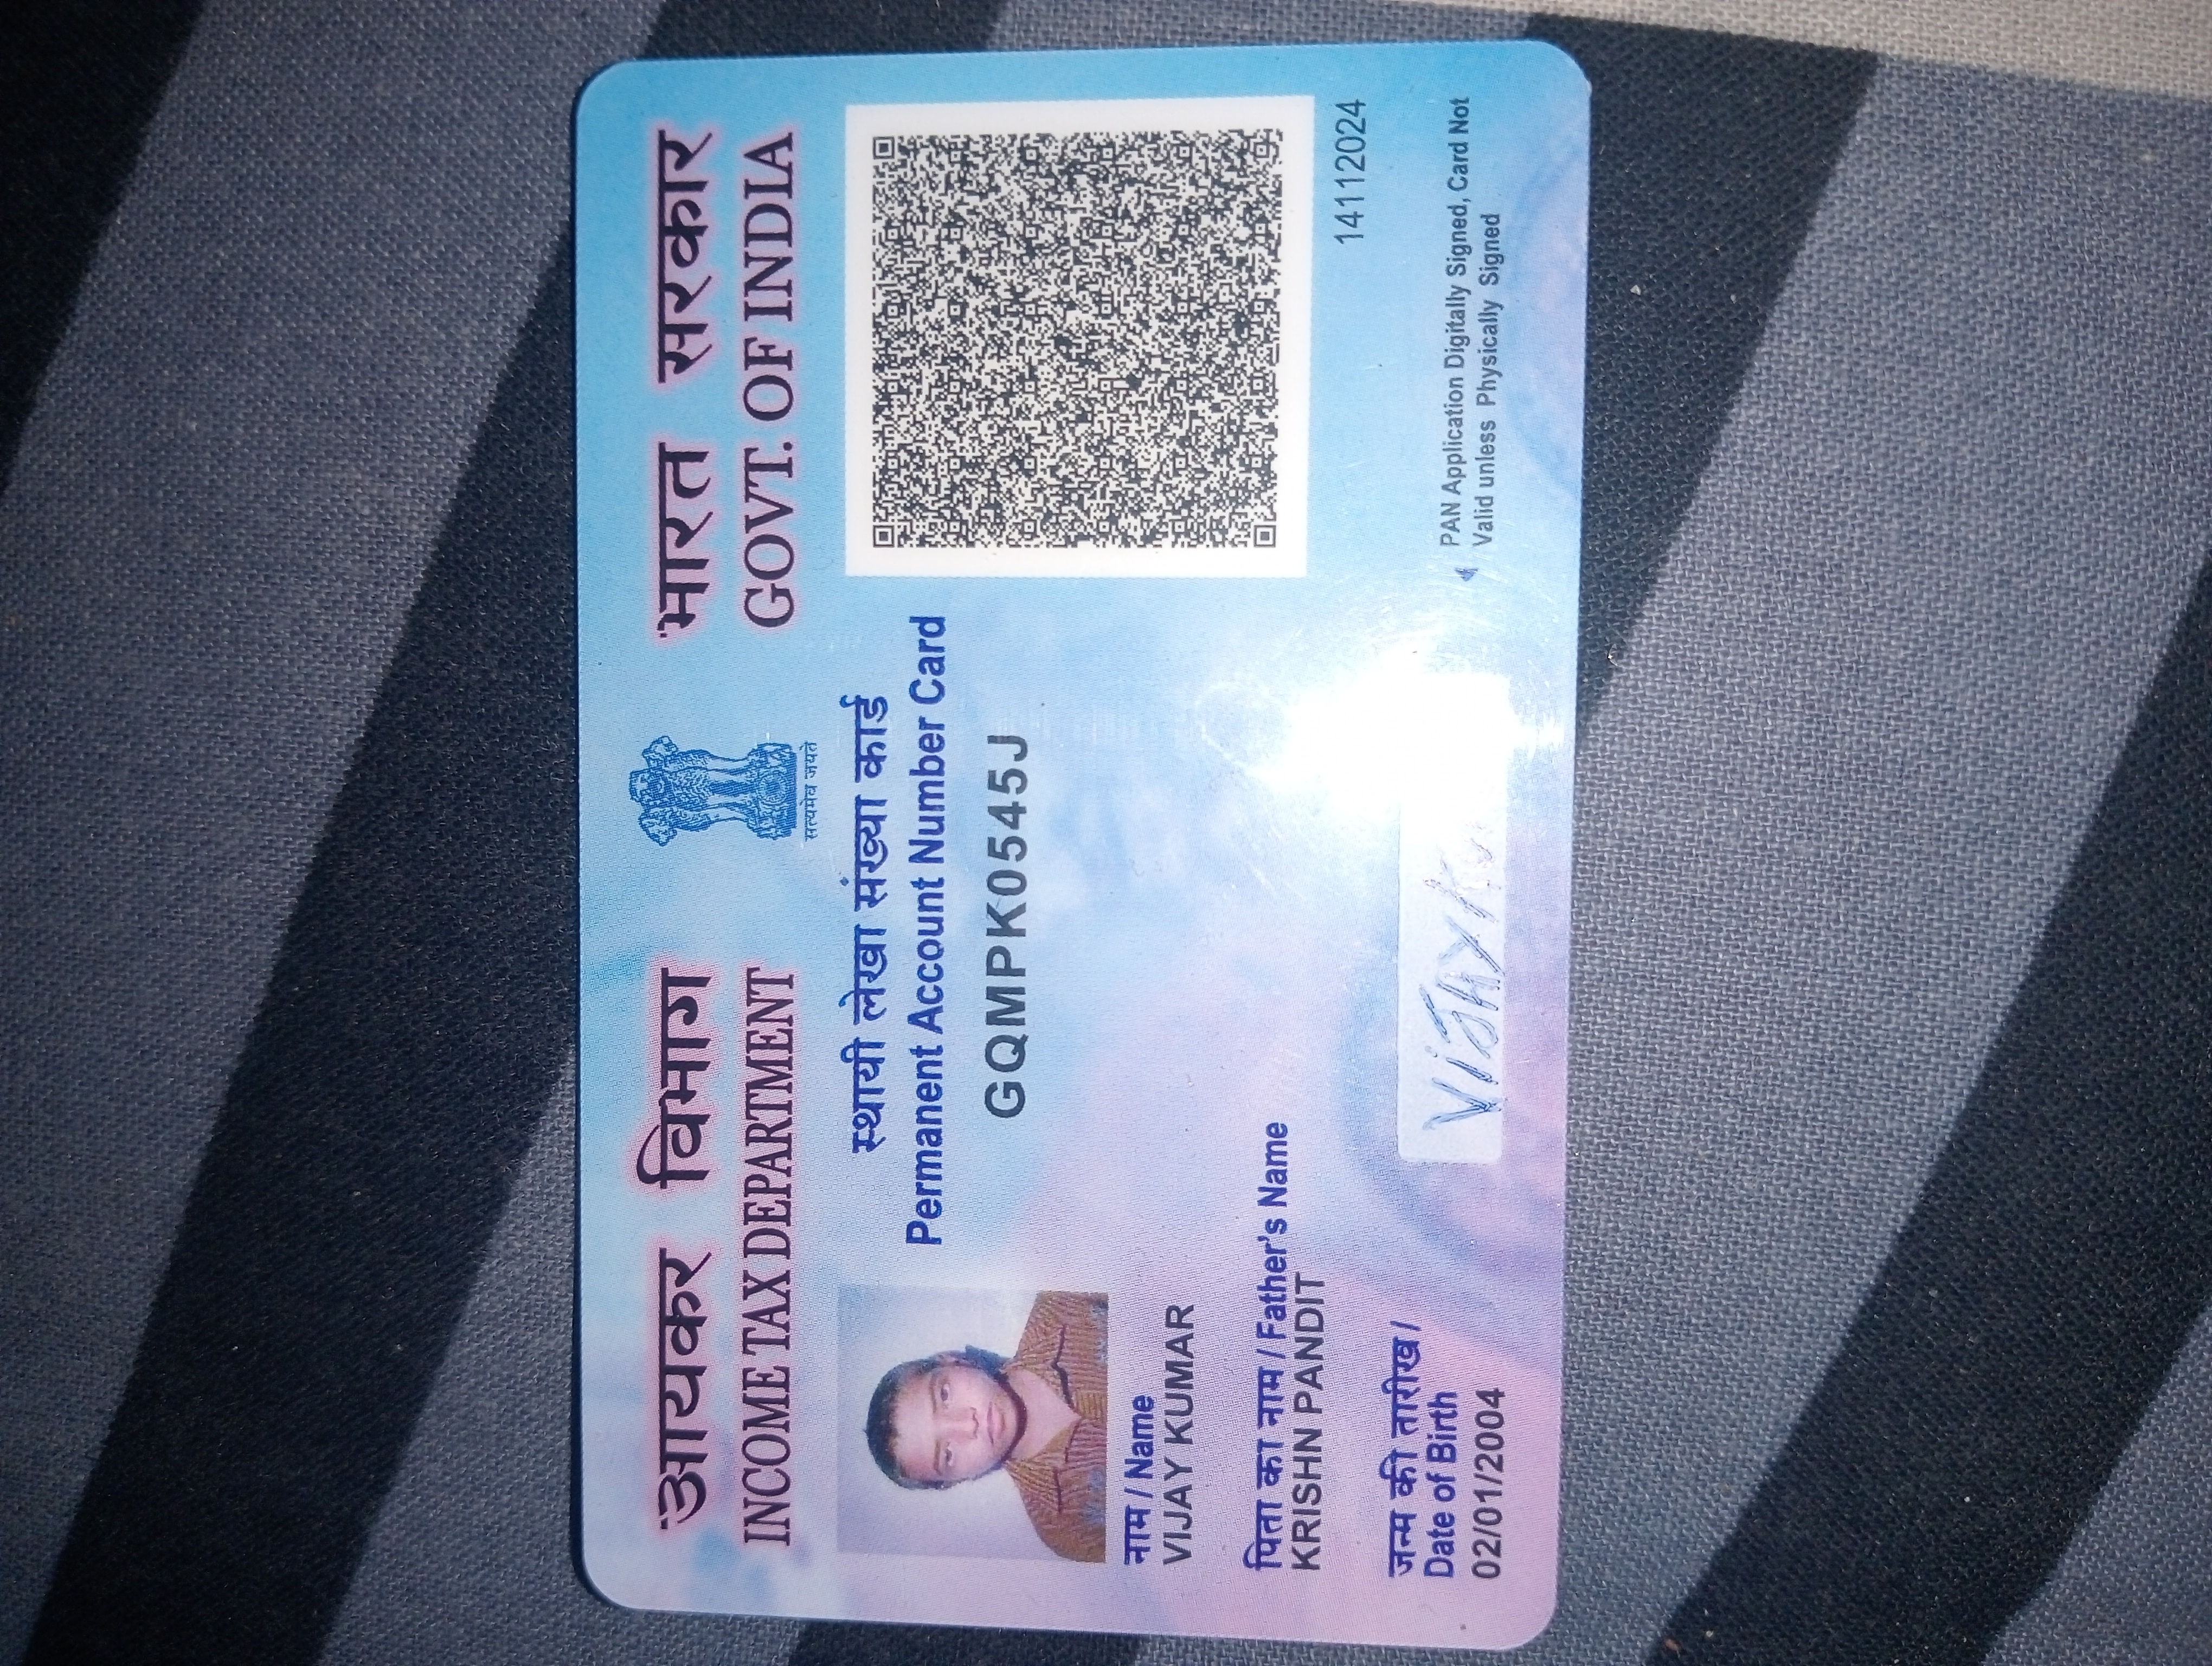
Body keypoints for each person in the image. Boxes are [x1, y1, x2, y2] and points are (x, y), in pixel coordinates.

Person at [864, 1291, 1108, 1561]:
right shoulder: (1065, 1529)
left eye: (944, 1395)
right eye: (947, 1454)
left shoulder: (1063, 1305)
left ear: (955, 1361)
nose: (967, 1425)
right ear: (957, 1481)